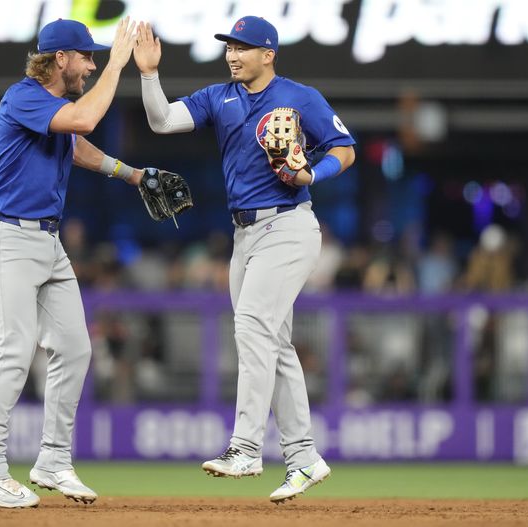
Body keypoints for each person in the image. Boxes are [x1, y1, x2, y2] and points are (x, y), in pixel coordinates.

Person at [133, 16, 356, 502]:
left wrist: (311, 174)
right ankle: (303, 458)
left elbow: (345, 149)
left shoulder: (301, 97)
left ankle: (246, 447)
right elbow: (162, 120)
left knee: (253, 327)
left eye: (242, 47)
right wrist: (149, 74)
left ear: (268, 53)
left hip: (289, 224)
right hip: (244, 235)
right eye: (229, 47)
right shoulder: (220, 96)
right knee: (273, 344)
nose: (232, 55)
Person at [0, 17, 151, 508]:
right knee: (16, 349)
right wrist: (117, 65)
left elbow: (76, 143)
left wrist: (132, 175)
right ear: (60, 59)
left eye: (95, 57)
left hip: (47, 242)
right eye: (84, 57)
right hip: (7, 237)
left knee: (75, 349)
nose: (90, 65)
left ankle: (52, 460)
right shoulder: (22, 96)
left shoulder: (52, 109)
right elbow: (84, 120)